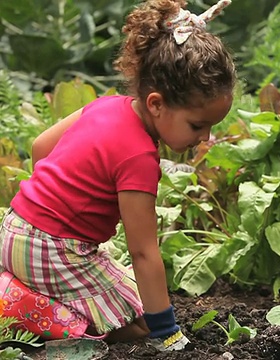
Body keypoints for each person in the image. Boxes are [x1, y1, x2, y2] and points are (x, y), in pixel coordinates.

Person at [0, 0, 235, 351]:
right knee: (137, 325)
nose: (204, 138)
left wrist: (59, 205)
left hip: (16, 228)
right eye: (198, 125)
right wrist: (165, 331)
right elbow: (143, 252)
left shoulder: (105, 105)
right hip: (52, 249)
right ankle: (19, 309)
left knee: (133, 293)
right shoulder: (139, 156)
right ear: (156, 104)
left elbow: (39, 148)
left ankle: (26, 283)